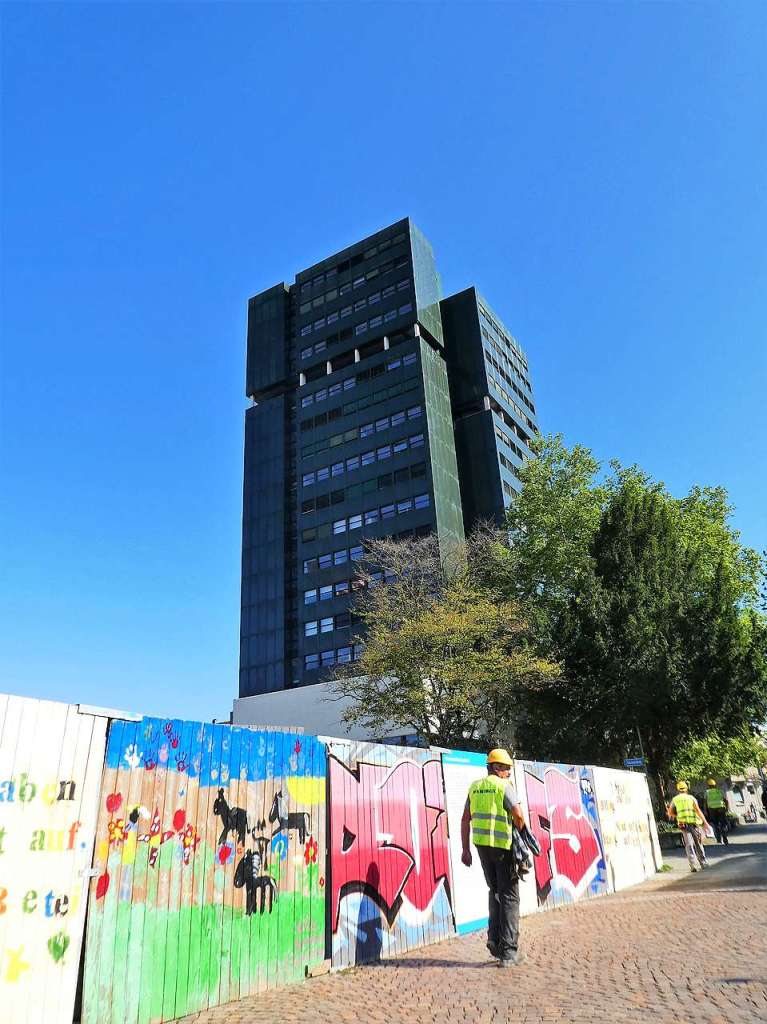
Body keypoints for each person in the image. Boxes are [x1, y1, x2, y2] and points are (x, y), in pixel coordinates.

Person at [461, 748, 527, 968]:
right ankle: (508, 952)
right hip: (503, 847)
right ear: (498, 768)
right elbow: (517, 815)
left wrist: (465, 850)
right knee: (510, 896)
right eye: (507, 769)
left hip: (482, 847)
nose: (508, 773)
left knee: (495, 891)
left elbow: (464, 820)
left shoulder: (475, 787)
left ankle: (494, 939)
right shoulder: (503, 787)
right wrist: (521, 834)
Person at [668, 781, 709, 872]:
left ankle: (693, 865)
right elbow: (698, 811)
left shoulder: (675, 799)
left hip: (684, 825)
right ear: (686, 789)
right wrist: (705, 823)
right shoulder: (691, 798)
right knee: (698, 843)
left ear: (678, 789)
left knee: (689, 845)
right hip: (695, 824)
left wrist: (678, 816)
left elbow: (670, 812)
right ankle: (703, 862)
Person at [703, 778, 729, 845]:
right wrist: (727, 808)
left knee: (716, 824)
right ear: (715, 785)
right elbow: (726, 800)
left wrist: (705, 811)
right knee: (723, 824)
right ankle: (725, 839)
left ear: (708, 785)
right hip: (721, 809)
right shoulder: (720, 791)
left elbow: (705, 802)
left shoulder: (707, 792)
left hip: (712, 810)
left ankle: (719, 840)